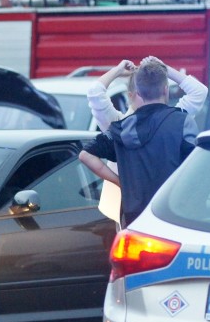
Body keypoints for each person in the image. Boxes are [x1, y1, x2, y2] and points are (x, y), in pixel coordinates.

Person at [79, 58, 198, 227]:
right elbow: (195, 167)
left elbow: (85, 155)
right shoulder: (182, 122)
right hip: (172, 215)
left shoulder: (122, 127)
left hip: (134, 217)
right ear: (165, 90)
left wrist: (120, 182)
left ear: (139, 93)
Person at [87, 57, 208, 132]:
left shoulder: (117, 126)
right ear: (165, 91)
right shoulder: (174, 121)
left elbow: (95, 91)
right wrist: (164, 68)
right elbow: (199, 91)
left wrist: (117, 70)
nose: (148, 95)